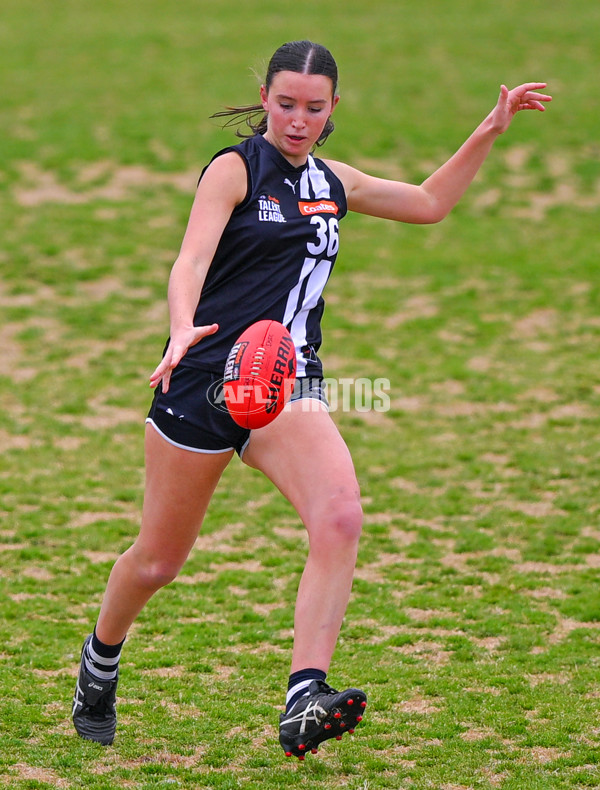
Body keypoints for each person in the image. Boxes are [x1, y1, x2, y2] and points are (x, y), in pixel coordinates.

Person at [72, 40, 551, 758]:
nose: (298, 120)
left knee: (340, 515)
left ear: (332, 110)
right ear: (265, 98)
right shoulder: (234, 170)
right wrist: (179, 326)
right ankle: (100, 662)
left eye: (314, 108)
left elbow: (427, 204)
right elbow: (191, 258)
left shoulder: (334, 179)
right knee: (158, 562)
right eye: (286, 103)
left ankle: (304, 695)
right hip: (204, 378)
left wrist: (487, 130)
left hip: (284, 385)